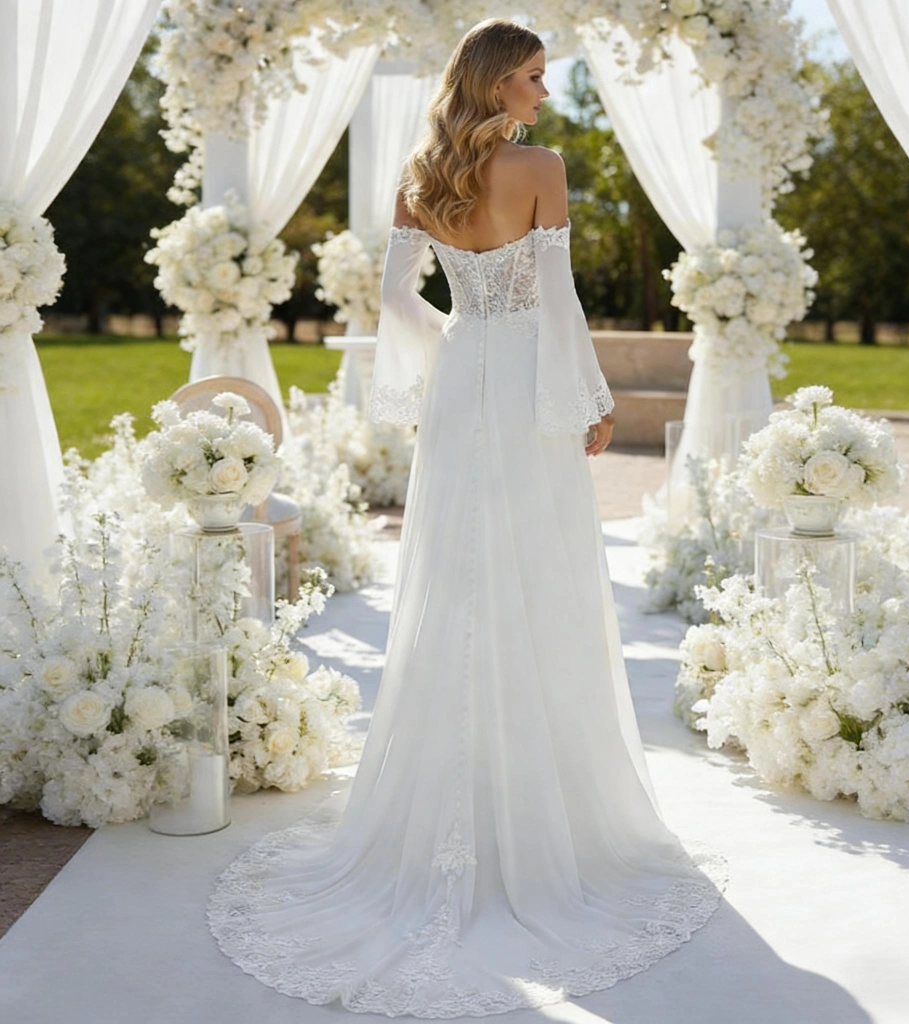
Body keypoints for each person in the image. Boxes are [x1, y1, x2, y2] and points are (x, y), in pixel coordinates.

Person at [207, 17, 728, 1018]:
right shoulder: (541, 167)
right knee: (537, 572)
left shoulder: (420, 173)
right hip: (527, 383)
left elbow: (395, 297)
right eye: (532, 76)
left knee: (453, 575)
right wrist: (590, 397)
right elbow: (559, 302)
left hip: (460, 382)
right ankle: (539, 811)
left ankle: (450, 800)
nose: (544, 92)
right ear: (494, 83)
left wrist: (456, 340)